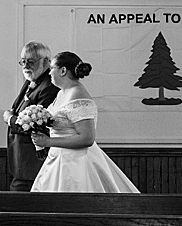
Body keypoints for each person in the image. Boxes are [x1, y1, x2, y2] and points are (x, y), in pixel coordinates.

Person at [30, 51, 139, 193]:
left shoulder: (77, 94)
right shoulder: (62, 92)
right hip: (57, 158)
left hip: (75, 163)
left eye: (51, 69)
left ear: (63, 71)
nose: (49, 73)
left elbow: (87, 138)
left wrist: (48, 142)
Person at [3, 41, 59, 191]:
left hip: (33, 162)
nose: (26, 66)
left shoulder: (49, 87)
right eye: (23, 61)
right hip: (20, 160)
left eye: (31, 61)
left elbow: (39, 126)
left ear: (47, 61)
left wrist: (9, 119)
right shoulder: (32, 80)